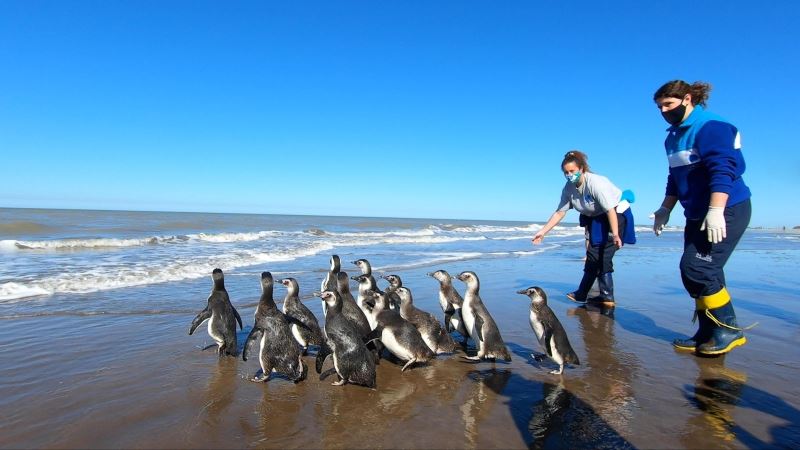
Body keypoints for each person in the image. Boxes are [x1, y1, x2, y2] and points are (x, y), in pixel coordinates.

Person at [652, 80, 751, 356]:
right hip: (696, 214)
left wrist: (717, 209)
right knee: (698, 273)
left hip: (727, 208)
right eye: (659, 107)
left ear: (687, 99)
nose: (663, 110)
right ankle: (709, 331)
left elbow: (723, 169)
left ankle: (729, 330)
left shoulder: (710, 126)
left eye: (668, 104)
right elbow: (675, 177)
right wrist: (665, 209)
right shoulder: (671, 137)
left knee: (698, 268)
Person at [532, 150, 635, 307]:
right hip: (597, 218)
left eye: (572, 171)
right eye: (566, 172)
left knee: (602, 255)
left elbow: (610, 210)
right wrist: (543, 231)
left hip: (616, 215)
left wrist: (615, 234)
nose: (569, 175)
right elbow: (560, 212)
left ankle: (600, 295)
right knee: (594, 255)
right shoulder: (568, 189)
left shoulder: (596, 183)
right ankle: (590, 294)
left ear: (581, 169)